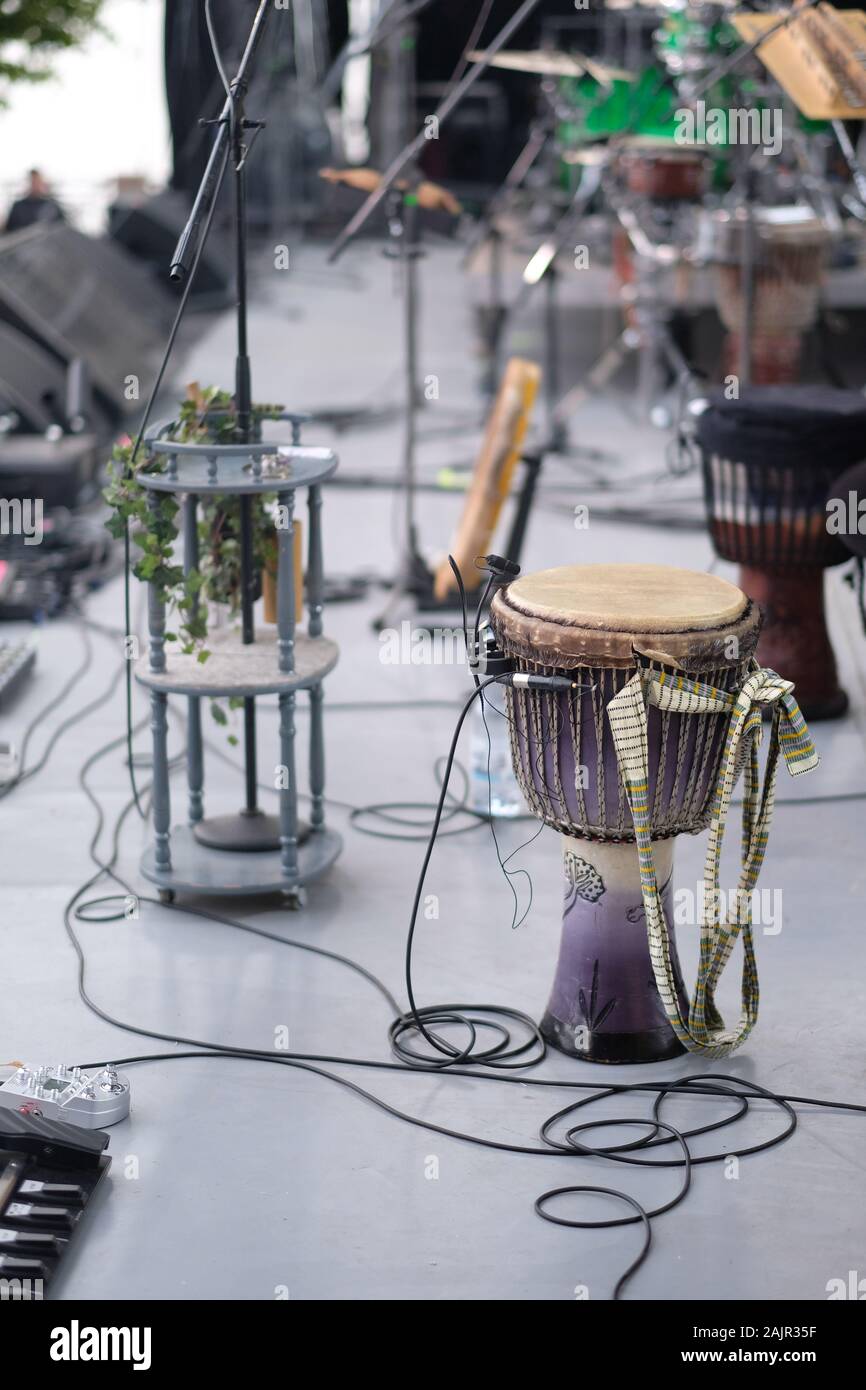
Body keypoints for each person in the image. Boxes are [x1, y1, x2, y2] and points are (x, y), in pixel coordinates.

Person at [4, 169, 65, 234]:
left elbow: (62, 228)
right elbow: (10, 230)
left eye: (37, 182)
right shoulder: (18, 206)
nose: (35, 185)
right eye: (32, 182)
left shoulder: (52, 206)